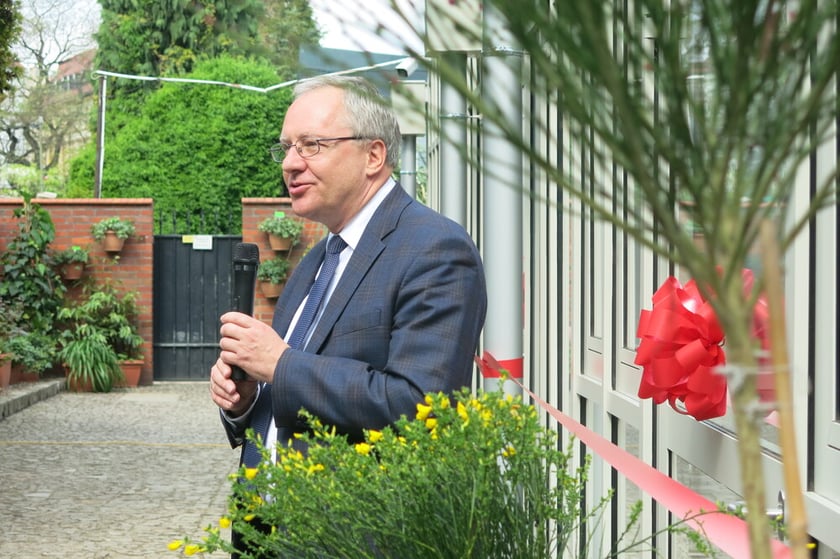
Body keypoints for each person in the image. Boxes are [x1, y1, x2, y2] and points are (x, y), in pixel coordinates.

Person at [208, 75, 487, 554]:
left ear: (373, 156)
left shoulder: (435, 249)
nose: (291, 164)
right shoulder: (317, 261)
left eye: (312, 145)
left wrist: (279, 364)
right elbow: (295, 396)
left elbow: (420, 406)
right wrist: (250, 399)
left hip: (358, 539)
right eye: (287, 148)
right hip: (269, 536)